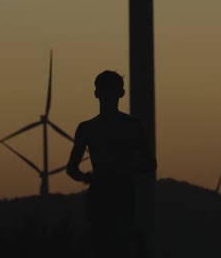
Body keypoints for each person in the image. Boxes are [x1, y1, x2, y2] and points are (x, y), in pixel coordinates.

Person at [66, 70, 157, 257]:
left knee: (109, 243)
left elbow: (72, 169)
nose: (107, 95)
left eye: (109, 90)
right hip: (111, 193)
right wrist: (91, 176)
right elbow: (150, 164)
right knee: (110, 243)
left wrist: (88, 176)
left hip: (114, 192)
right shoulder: (132, 125)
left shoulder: (89, 128)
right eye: (105, 90)